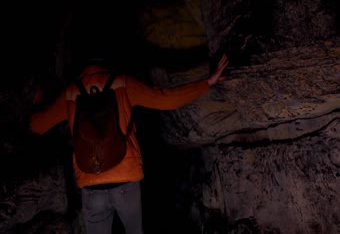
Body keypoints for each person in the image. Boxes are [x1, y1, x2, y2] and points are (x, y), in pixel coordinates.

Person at [29, 53, 229, 234]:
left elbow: (37, 126)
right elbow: (167, 99)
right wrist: (208, 82)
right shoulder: (122, 84)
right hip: (125, 179)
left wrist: (38, 102)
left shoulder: (70, 94)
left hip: (91, 182)